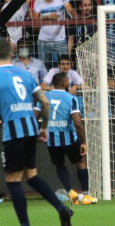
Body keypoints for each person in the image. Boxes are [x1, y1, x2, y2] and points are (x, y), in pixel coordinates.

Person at [0, 40, 74, 226]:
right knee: (31, 176)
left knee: (12, 179)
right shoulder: (26, 75)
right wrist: (44, 128)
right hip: (31, 129)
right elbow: (45, 103)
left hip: (14, 133)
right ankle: (61, 208)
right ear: (12, 55)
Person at [38, 72, 96, 205]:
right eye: (68, 80)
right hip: (69, 139)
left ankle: (70, 192)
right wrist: (84, 142)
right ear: (64, 83)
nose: (69, 81)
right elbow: (77, 123)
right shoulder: (70, 98)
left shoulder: (43, 97)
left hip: (51, 140)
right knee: (80, 161)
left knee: (59, 165)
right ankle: (86, 194)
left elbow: (34, 116)